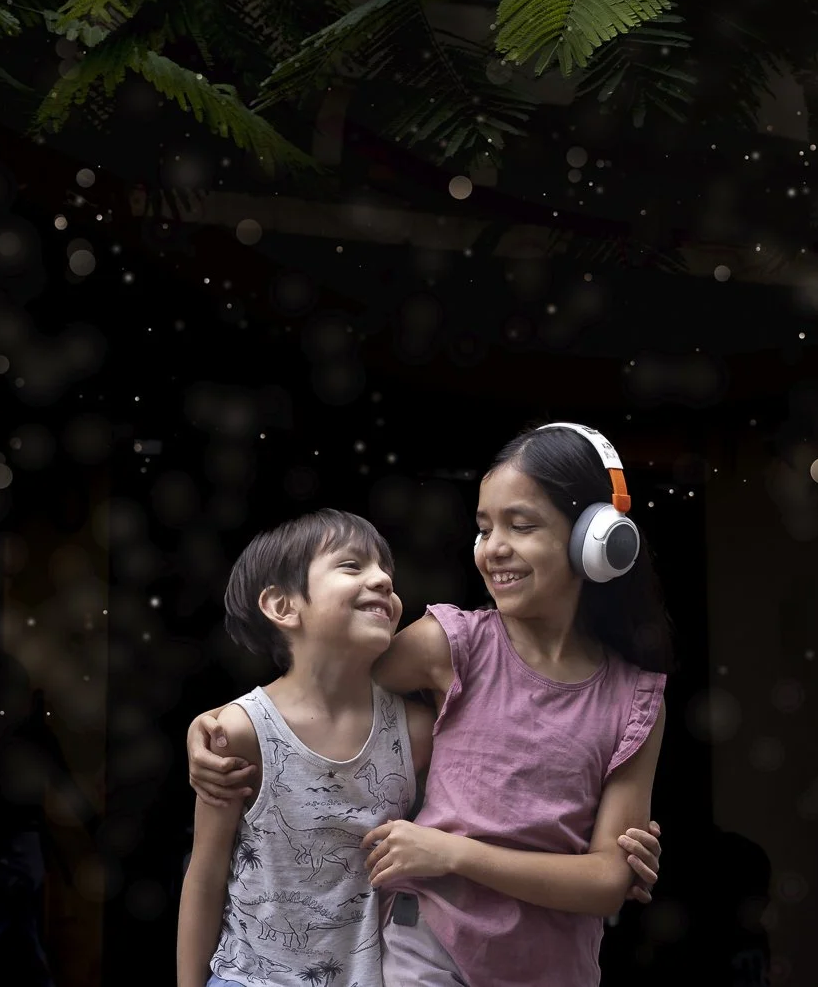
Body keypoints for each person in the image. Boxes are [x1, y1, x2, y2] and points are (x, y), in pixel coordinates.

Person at [190, 423, 669, 987]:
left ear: (596, 538)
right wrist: (216, 724)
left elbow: (606, 883)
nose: (494, 548)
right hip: (430, 949)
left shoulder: (635, 700)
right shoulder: (453, 643)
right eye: (485, 527)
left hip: (555, 966)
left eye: (522, 525)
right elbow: (318, 680)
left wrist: (452, 853)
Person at [176, 507, 430, 987]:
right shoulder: (240, 732)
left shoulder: (416, 732)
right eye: (352, 566)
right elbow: (205, 877)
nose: (382, 580)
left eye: (386, 571)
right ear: (282, 607)